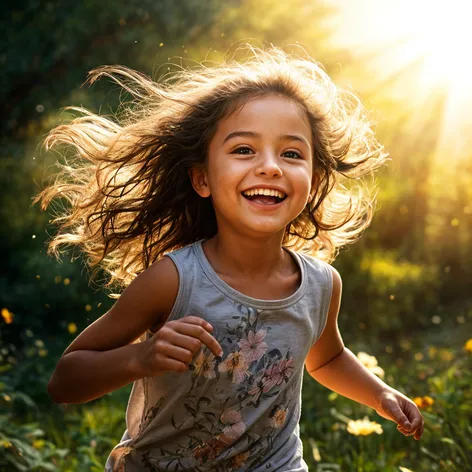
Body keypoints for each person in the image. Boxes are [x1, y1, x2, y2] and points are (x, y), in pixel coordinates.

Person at [35, 45, 424, 471]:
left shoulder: (321, 284)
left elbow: (327, 357)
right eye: (244, 150)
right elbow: (64, 382)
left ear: (312, 182)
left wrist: (380, 394)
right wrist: (138, 359)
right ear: (202, 179)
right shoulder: (174, 280)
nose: (271, 167)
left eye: (292, 153)